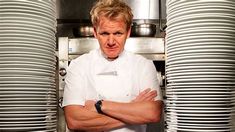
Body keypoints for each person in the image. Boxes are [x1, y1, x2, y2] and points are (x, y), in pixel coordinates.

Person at [62, 0, 163, 131]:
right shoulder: (78, 66)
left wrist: (100, 106)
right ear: (95, 32)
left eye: (118, 33)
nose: (111, 41)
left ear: (128, 33)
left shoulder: (143, 65)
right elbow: (74, 121)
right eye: (104, 33)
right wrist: (133, 111)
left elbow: (153, 113)